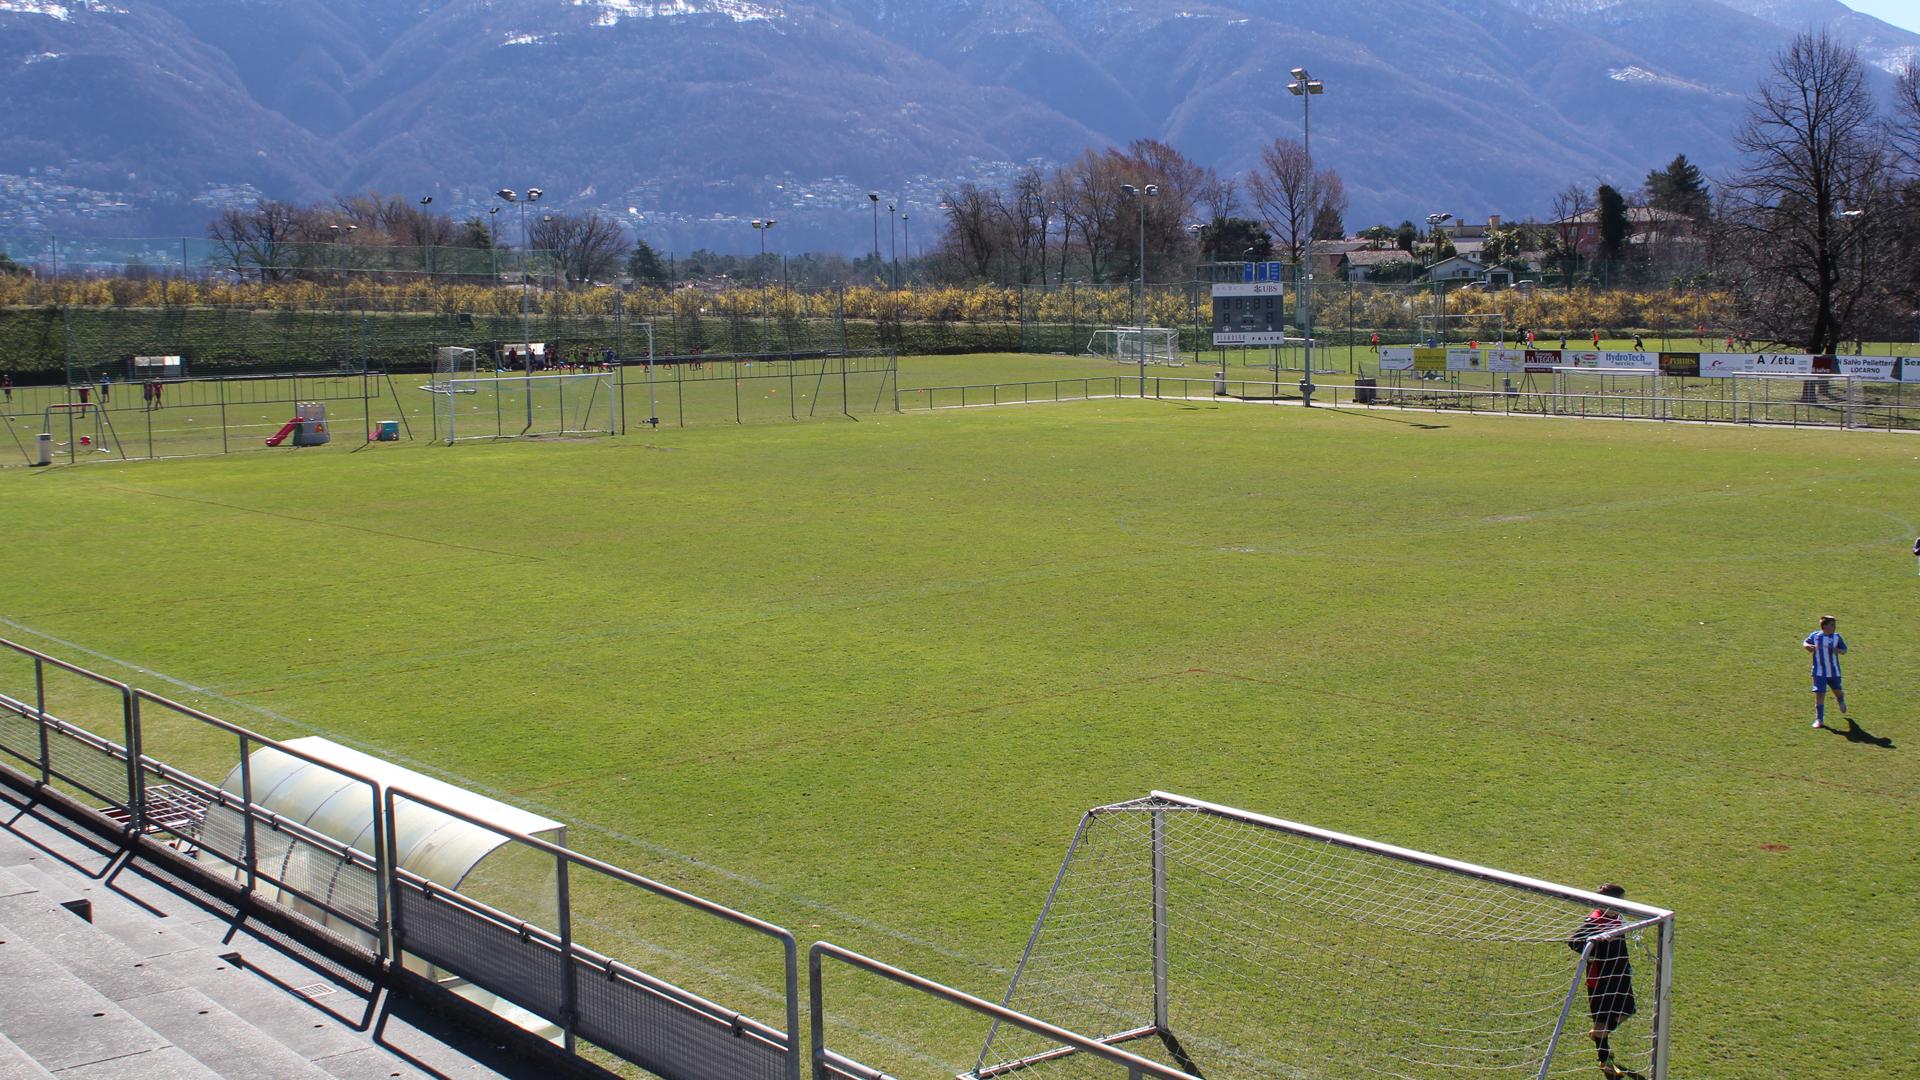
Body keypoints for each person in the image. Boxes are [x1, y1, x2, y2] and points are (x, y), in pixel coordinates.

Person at [1568, 883, 1636, 1079]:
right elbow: (1574, 943)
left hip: (1620, 974)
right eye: (1619, 901)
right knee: (1602, 1020)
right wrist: (1596, 944)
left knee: (1627, 1011)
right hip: (1601, 979)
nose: (1622, 905)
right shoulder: (1594, 921)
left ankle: (1598, 1034)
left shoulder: (1617, 917)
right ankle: (1604, 1060)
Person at [1803, 615, 1847, 729]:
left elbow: (1844, 650)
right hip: (1819, 672)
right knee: (1820, 693)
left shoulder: (1837, 637)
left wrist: (1837, 650)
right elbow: (1805, 643)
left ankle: (1840, 699)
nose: (1834, 627)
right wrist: (1808, 646)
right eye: (1832, 625)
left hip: (1833, 671)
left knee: (1837, 691)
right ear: (1824, 626)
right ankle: (1819, 719)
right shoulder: (1815, 636)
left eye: (1834, 625)